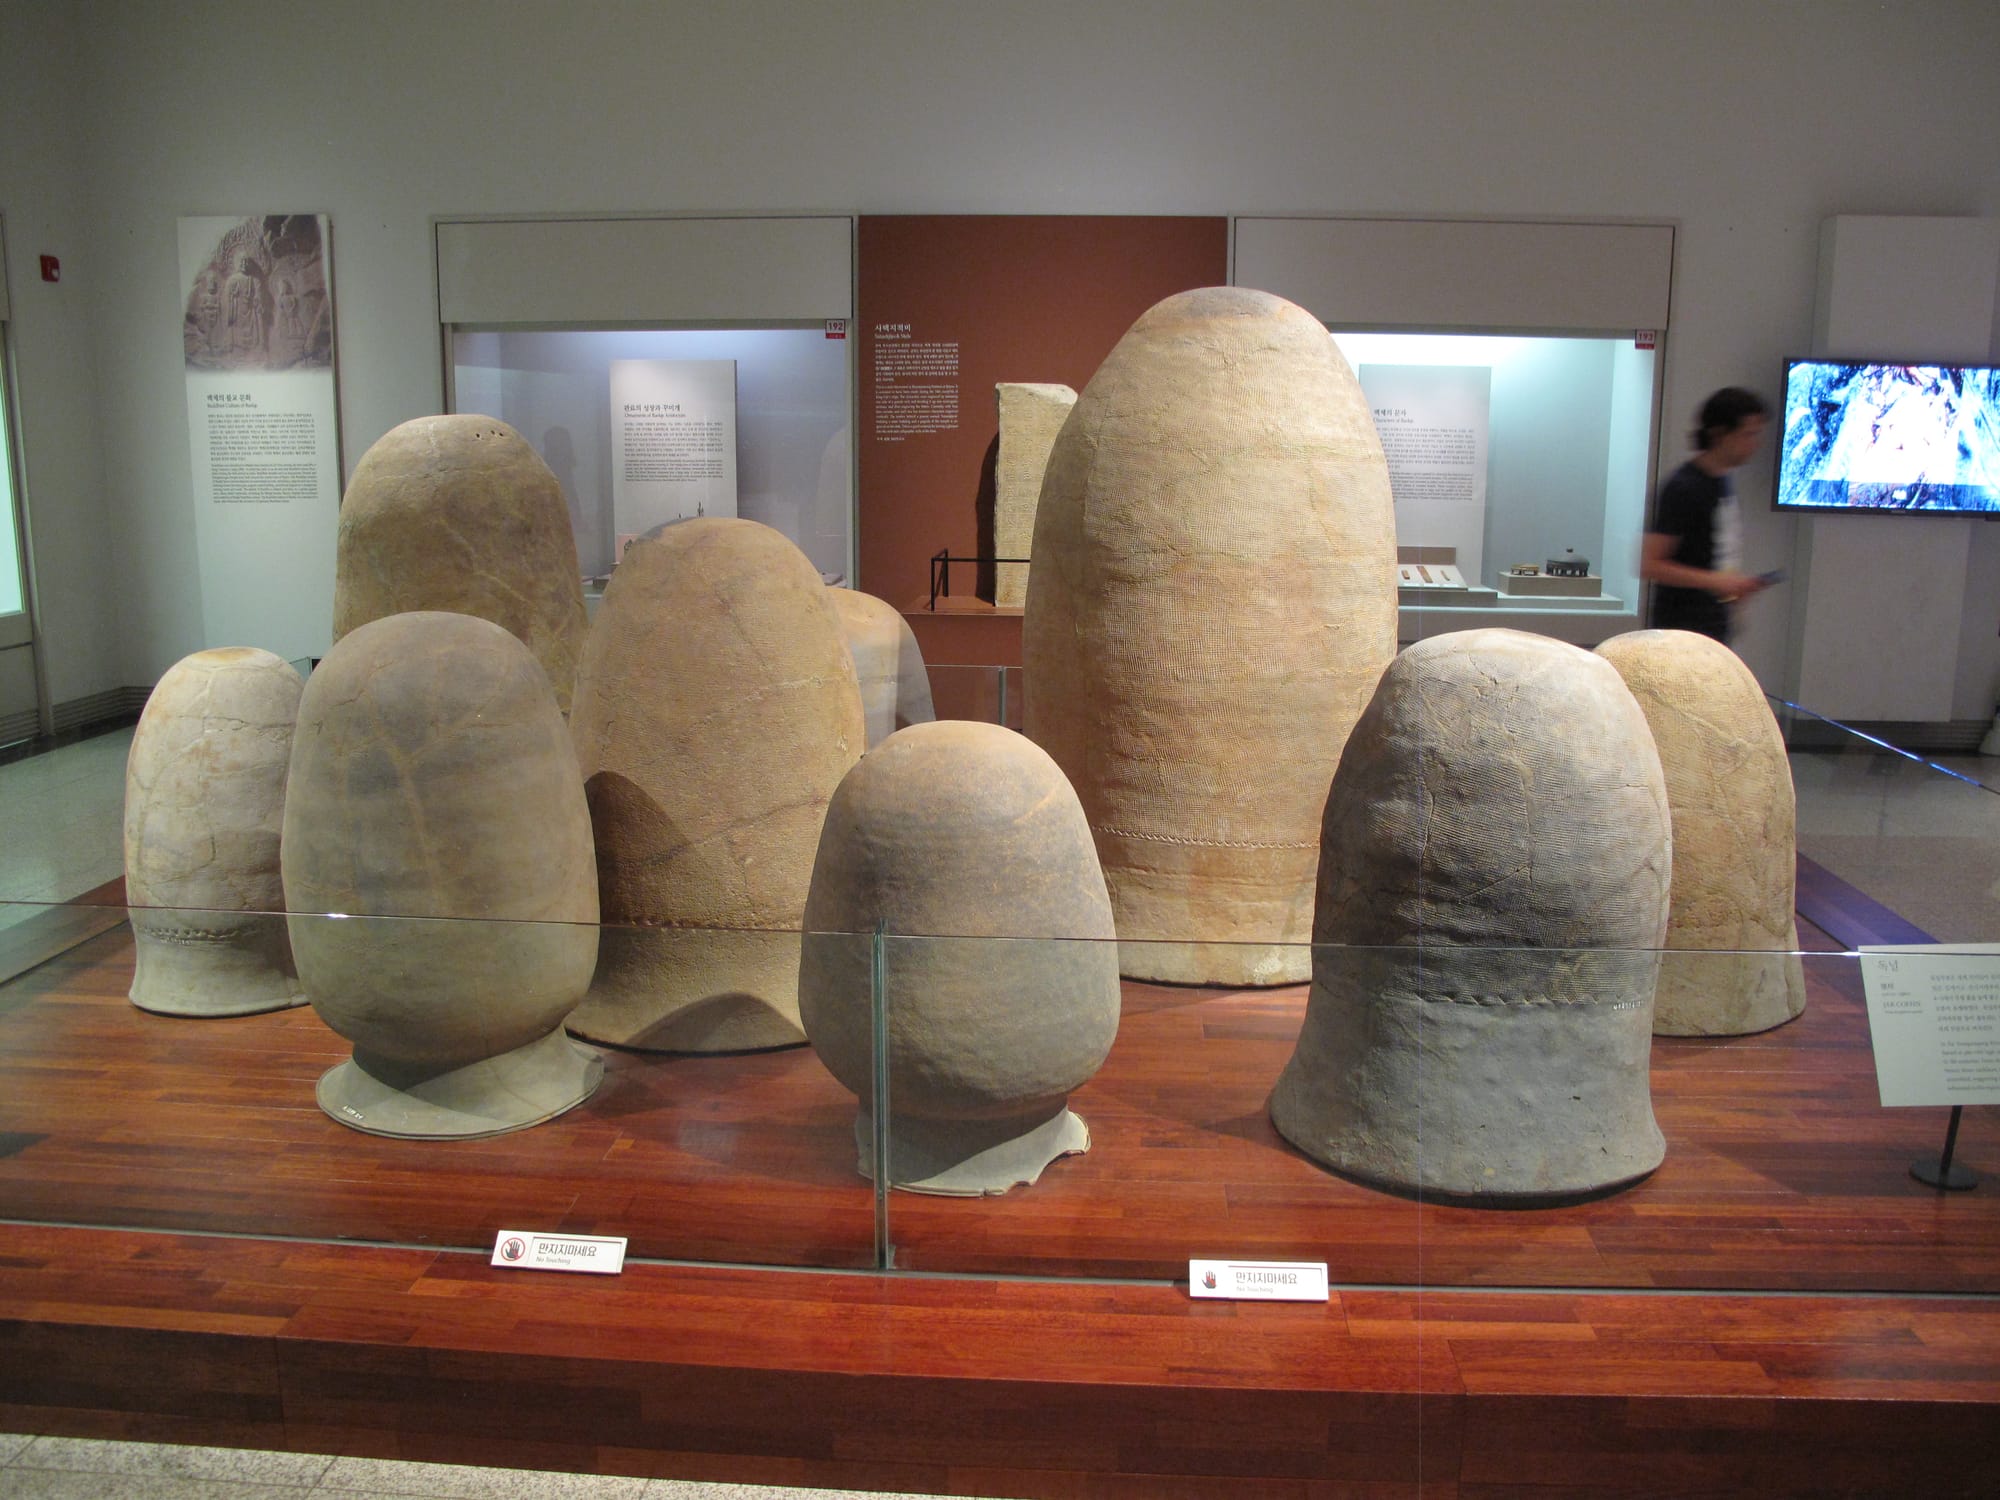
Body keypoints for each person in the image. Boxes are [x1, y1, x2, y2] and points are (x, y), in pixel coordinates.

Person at [1642, 386, 1772, 643]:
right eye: (1748, 434)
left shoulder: (1722, 482)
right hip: (1681, 634)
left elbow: (1713, 555)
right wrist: (1717, 581)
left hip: (1712, 628)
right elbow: (1650, 563)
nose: (1755, 444)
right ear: (1719, 433)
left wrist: (1732, 587)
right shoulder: (1684, 487)